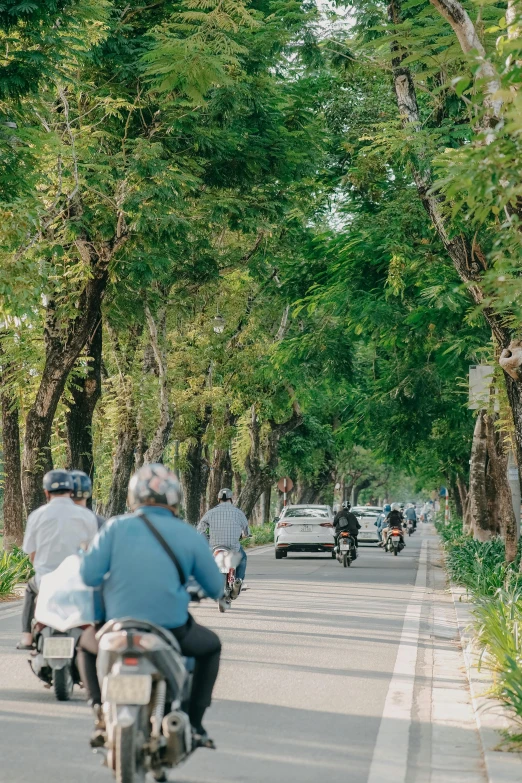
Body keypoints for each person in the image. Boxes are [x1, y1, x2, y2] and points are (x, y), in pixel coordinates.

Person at [79, 463, 224, 746]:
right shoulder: (189, 535)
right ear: (174, 498)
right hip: (170, 628)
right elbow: (216, 588)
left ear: (135, 496)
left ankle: (98, 710)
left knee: (85, 645)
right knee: (211, 647)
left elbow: (88, 575)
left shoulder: (114, 528)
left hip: (115, 627)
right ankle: (194, 724)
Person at [17, 469, 98, 650]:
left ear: (46, 492)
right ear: (71, 491)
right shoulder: (86, 516)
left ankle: (26, 637)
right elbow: (94, 551)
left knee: (30, 589)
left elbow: (32, 554)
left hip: (45, 579)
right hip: (78, 580)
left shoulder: (37, 516)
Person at [197, 488, 250, 583]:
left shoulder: (210, 513)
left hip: (215, 547)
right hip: (233, 547)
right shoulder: (238, 513)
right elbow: (246, 531)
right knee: (243, 558)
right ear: (231, 499)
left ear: (218, 499)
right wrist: (246, 534)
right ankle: (239, 580)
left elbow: (200, 529)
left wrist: (206, 537)